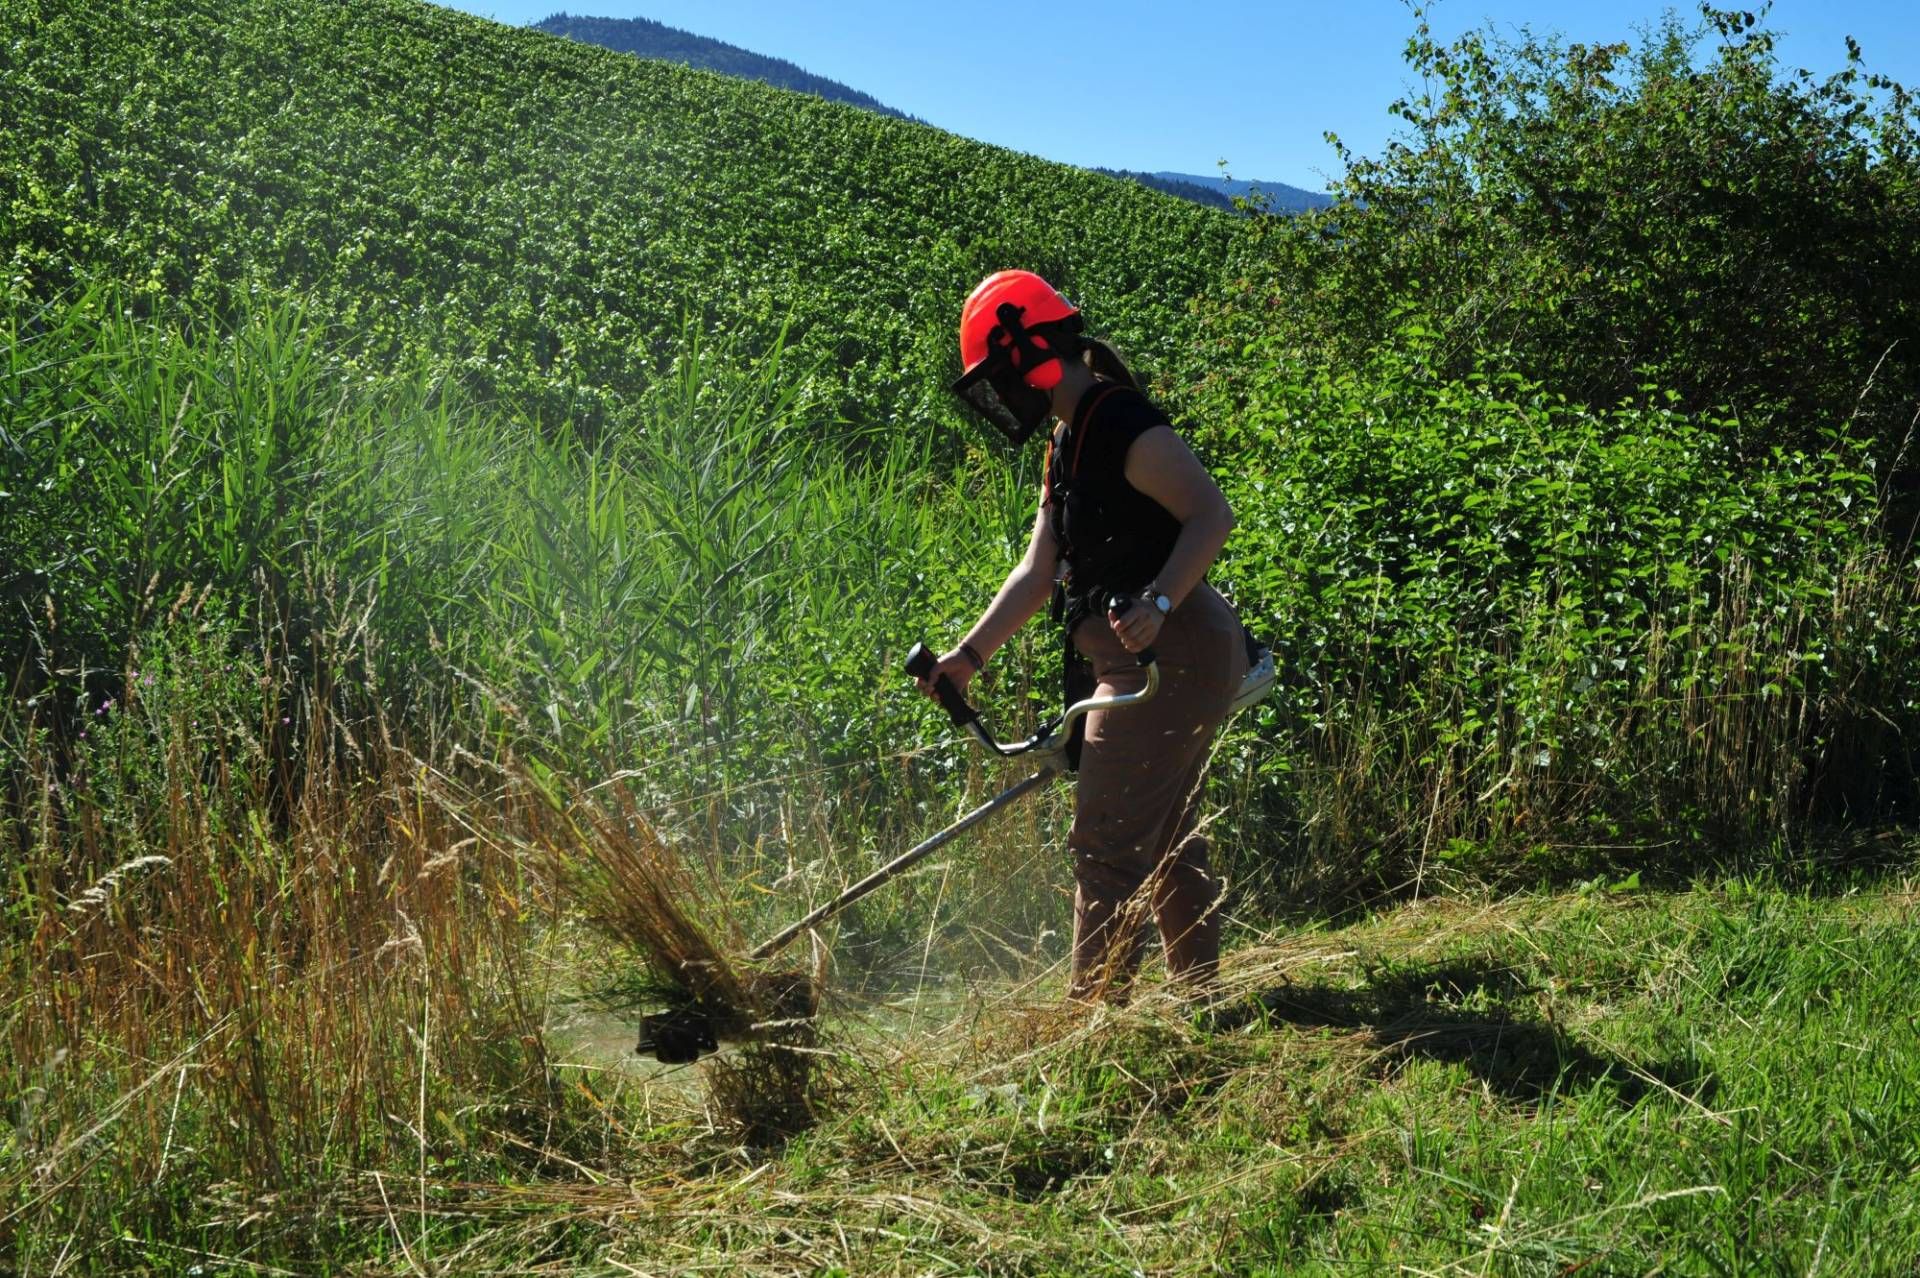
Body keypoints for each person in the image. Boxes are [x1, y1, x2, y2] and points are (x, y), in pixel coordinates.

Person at [918, 270, 1249, 1000]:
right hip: (1141, 662)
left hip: (1168, 656)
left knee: (1105, 849)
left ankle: (1093, 1032)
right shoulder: (1066, 446)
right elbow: (1038, 571)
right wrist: (966, 659)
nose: (998, 395)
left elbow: (1210, 514)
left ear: (1031, 353)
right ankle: (1203, 1000)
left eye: (997, 377)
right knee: (1164, 835)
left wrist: (1159, 601)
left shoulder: (1124, 424)